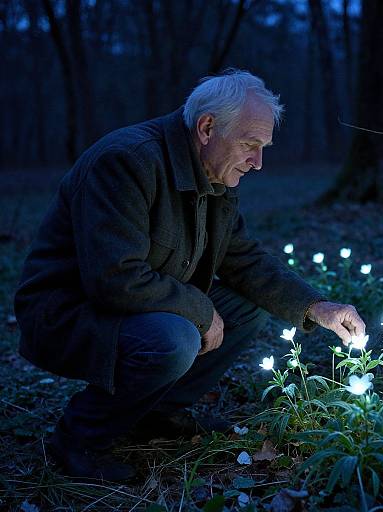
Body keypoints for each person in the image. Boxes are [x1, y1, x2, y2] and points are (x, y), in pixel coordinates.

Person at [14, 69, 365, 481]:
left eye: (264, 147)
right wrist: (200, 309)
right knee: (175, 339)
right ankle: (79, 438)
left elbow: (243, 259)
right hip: (68, 312)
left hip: (136, 307)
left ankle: (156, 412)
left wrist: (315, 306)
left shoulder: (214, 174)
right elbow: (114, 278)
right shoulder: (126, 161)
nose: (258, 163)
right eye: (251, 145)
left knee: (245, 307)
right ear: (207, 127)